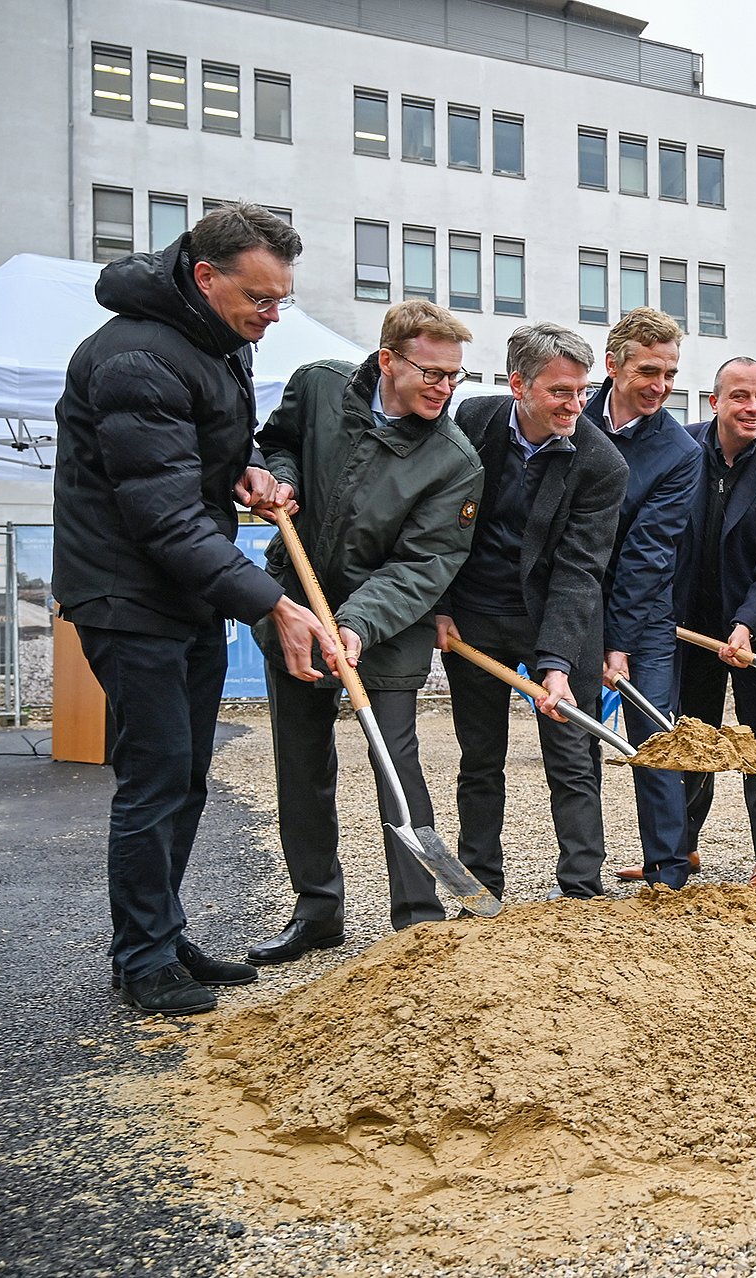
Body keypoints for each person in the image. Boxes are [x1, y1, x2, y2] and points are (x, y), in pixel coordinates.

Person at [53, 202, 333, 1015]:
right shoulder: (137, 356)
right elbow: (163, 515)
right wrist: (271, 605)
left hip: (182, 592)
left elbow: (193, 457)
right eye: (260, 299)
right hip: (128, 591)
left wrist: (241, 469)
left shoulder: (215, 341)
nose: (272, 316)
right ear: (205, 277)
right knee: (154, 776)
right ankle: (142, 959)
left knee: (186, 774)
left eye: (282, 299)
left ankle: (162, 931)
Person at [247, 301, 484, 962]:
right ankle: (317, 911)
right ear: (388, 360)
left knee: (394, 757)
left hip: (386, 623)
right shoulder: (319, 385)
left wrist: (355, 624)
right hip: (296, 603)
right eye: (432, 373)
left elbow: (425, 563)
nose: (444, 388)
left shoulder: (454, 460)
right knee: (300, 761)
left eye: (454, 377)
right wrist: (283, 480)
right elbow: (278, 441)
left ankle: (419, 914)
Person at [438, 324, 628, 901]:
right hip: (473, 614)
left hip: (557, 618)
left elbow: (579, 571)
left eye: (581, 392)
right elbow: (439, 521)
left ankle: (581, 889)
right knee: (480, 757)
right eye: (560, 392)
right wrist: (440, 608)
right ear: (519, 384)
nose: (576, 405)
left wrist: (556, 665)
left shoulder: (602, 465)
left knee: (572, 757)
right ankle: (479, 889)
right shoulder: (473, 421)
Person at [668, 356, 756, 887]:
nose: (753, 408)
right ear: (714, 402)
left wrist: (748, 624)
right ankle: (679, 851)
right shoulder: (680, 448)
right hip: (689, 625)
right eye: (740, 397)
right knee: (691, 735)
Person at [582, 307, 699, 890]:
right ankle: (581, 874)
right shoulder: (571, 416)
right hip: (570, 602)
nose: (660, 386)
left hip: (644, 611)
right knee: (574, 739)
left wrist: (618, 641)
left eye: (670, 373)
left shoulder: (679, 452)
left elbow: (649, 554)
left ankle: (668, 871)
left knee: (655, 736)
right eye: (648, 371)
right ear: (613, 365)